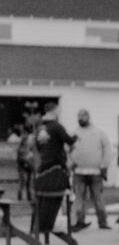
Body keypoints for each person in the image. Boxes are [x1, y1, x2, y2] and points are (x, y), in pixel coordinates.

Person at [33, 101, 76, 235]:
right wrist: (76, 137)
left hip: (43, 168)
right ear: (54, 110)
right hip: (57, 168)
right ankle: (57, 225)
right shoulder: (57, 126)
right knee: (61, 197)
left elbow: (39, 146)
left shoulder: (41, 128)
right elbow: (69, 140)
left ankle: (40, 225)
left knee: (42, 199)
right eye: (59, 110)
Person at [69, 109, 112, 231]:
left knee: (98, 198)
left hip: (96, 172)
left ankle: (102, 221)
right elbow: (67, 149)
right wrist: (71, 163)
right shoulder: (74, 133)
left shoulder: (98, 133)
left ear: (88, 117)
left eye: (83, 116)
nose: (81, 118)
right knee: (79, 198)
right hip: (79, 172)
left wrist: (104, 165)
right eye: (79, 116)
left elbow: (107, 149)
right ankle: (79, 221)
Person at [15, 120, 36, 202]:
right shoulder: (24, 140)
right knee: (23, 181)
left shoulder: (29, 139)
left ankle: (29, 196)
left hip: (28, 162)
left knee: (28, 182)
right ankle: (20, 197)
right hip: (22, 163)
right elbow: (20, 153)